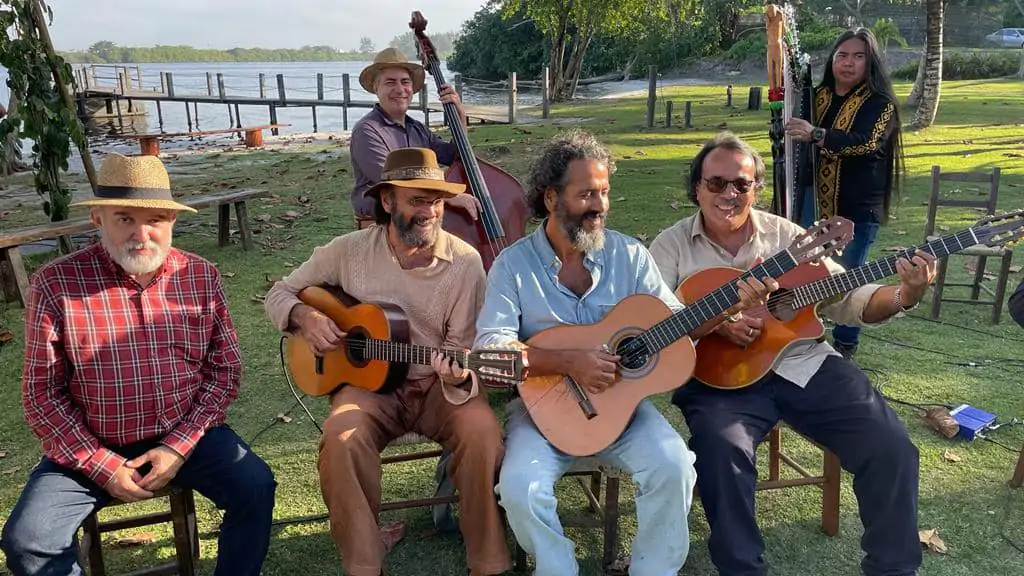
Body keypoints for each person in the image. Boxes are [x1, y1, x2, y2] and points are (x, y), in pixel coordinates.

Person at [473, 128, 778, 575]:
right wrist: (566, 362)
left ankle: (652, 569)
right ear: (551, 198)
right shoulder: (513, 266)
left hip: (622, 410)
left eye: (604, 192)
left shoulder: (630, 255)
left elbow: (677, 325)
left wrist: (729, 306)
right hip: (542, 410)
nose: (599, 206)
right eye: (586, 195)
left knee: (674, 467)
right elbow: (489, 348)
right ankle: (558, 568)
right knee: (520, 487)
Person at [649, 132, 936, 576]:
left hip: (805, 364)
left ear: (756, 188)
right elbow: (655, 327)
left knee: (892, 446)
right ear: (697, 188)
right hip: (718, 380)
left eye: (741, 185)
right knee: (721, 455)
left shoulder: (788, 237)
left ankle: (893, 568)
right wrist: (721, 323)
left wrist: (905, 294)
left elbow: (852, 299)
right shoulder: (670, 246)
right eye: (717, 183)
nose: (729, 194)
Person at [1, 153, 277, 576]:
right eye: (124, 218)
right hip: (91, 443)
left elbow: (225, 371)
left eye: (155, 220)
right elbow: (42, 395)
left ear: (172, 221)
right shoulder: (55, 283)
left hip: (186, 435)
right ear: (98, 218)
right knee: (27, 541)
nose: (141, 234)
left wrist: (176, 448)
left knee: (255, 487)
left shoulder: (201, 276)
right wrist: (102, 465)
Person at [265, 147, 510, 576]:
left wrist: (457, 370)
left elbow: (463, 347)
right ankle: (364, 565)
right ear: (387, 200)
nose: (430, 211)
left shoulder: (466, 262)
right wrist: (306, 318)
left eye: (435, 200)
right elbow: (279, 293)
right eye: (417, 200)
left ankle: (488, 562)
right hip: (369, 388)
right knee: (341, 438)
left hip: (437, 385)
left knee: (482, 432)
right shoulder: (347, 251)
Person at [784, 27, 904, 359]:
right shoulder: (815, 96)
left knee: (848, 276)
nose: (848, 63)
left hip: (856, 206)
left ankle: (845, 345)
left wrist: (817, 134)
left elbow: (867, 143)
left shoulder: (881, 104)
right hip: (811, 199)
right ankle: (803, 333)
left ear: (871, 63)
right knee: (803, 267)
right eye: (842, 55)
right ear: (832, 60)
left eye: (858, 57)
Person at [349, 47, 480, 229]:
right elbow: (393, 183)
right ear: (375, 87)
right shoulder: (366, 131)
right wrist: (450, 195)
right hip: (382, 223)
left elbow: (455, 156)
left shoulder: (417, 129)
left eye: (405, 82)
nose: (400, 89)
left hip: (419, 215)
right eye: (390, 82)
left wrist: (460, 117)